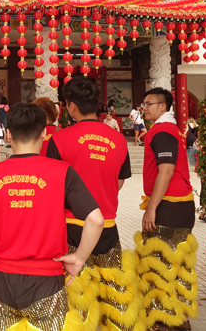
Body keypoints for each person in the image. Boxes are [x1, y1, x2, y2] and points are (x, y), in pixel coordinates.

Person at [0, 103, 105, 331]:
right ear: (44, 133)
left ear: (8, 133)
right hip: (47, 279)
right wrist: (79, 259)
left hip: (4, 278)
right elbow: (96, 220)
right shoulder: (63, 172)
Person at [45, 77, 138, 330]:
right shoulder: (118, 140)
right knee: (112, 298)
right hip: (108, 228)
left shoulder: (60, 140)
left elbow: (52, 190)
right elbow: (119, 183)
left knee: (72, 298)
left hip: (71, 228)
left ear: (71, 106)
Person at [137, 88, 199, 330]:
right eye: (143, 103)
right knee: (178, 261)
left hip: (169, 204)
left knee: (161, 262)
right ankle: (179, 316)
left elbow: (166, 170)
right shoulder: (169, 129)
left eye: (148, 103)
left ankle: (163, 320)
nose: (144, 107)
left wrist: (151, 208)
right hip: (180, 203)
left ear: (163, 107)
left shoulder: (162, 131)